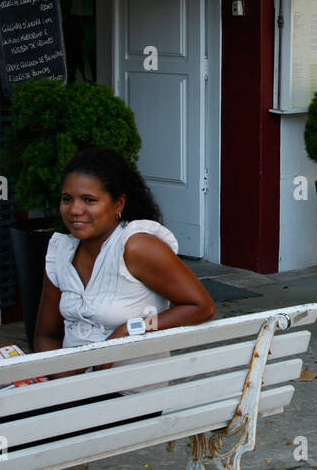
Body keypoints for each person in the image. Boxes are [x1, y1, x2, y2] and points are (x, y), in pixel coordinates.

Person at [34, 147, 215, 354]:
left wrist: (132, 329)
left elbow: (201, 307)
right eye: (67, 199)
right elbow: (46, 334)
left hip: (131, 382)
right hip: (75, 380)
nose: (75, 210)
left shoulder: (137, 247)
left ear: (118, 203)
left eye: (89, 200)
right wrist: (58, 376)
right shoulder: (61, 251)